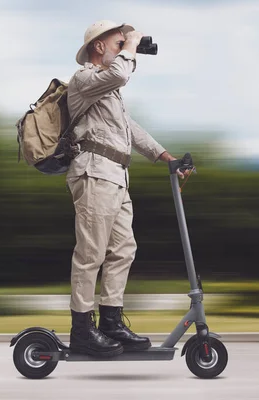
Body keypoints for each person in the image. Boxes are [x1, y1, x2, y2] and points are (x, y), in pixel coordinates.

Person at [65, 20, 190, 357]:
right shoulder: (84, 79)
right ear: (98, 47)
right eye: (117, 42)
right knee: (91, 253)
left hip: (117, 174)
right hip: (94, 173)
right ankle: (82, 330)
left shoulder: (109, 90)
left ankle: (111, 322)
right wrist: (133, 45)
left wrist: (164, 156)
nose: (123, 47)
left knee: (123, 250)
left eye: (125, 43)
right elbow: (120, 74)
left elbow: (129, 128)